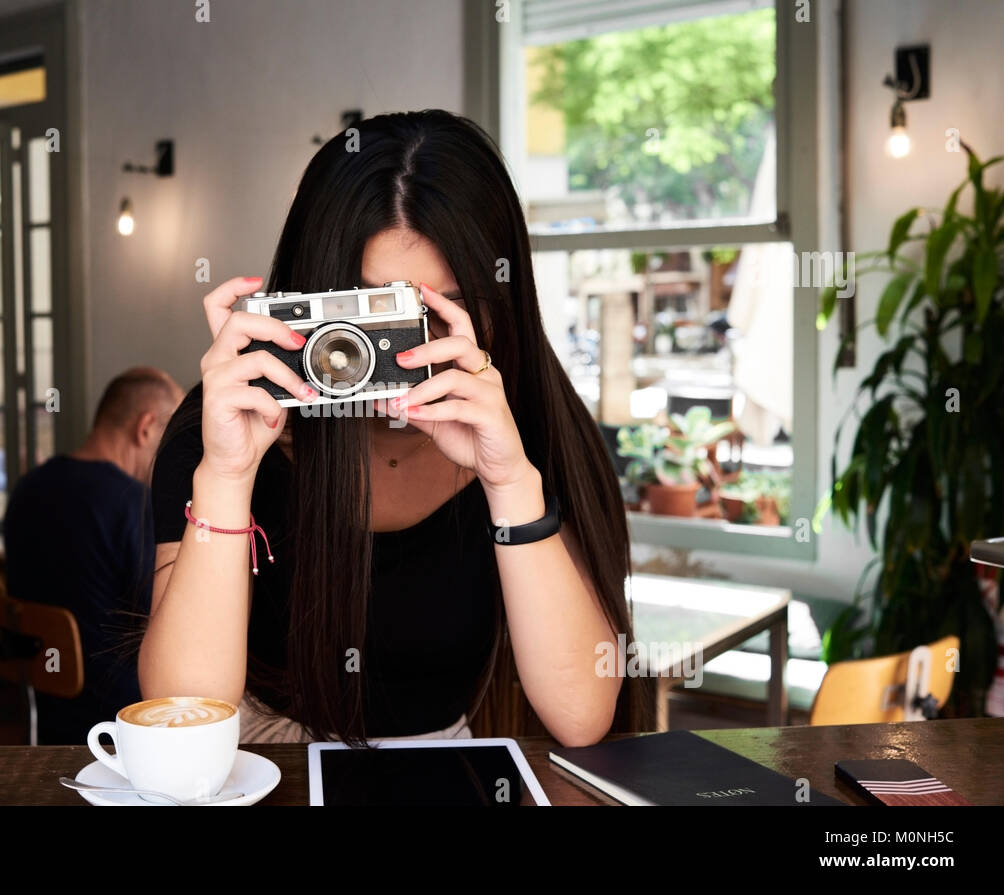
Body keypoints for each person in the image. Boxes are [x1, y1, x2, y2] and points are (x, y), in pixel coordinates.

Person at [141, 110, 652, 747]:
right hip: (258, 768)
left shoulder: (537, 428)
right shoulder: (229, 424)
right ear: (309, 301)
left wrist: (508, 479)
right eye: (373, 314)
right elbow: (181, 712)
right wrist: (226, 476)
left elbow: (581, 715)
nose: (412, 349)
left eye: (450, 305)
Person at [4, 366, 184, 744]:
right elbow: (167, 620)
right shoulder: (131, 504)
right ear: (146, 427)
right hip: (119, 710)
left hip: (44, 700)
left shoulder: (28, 487)